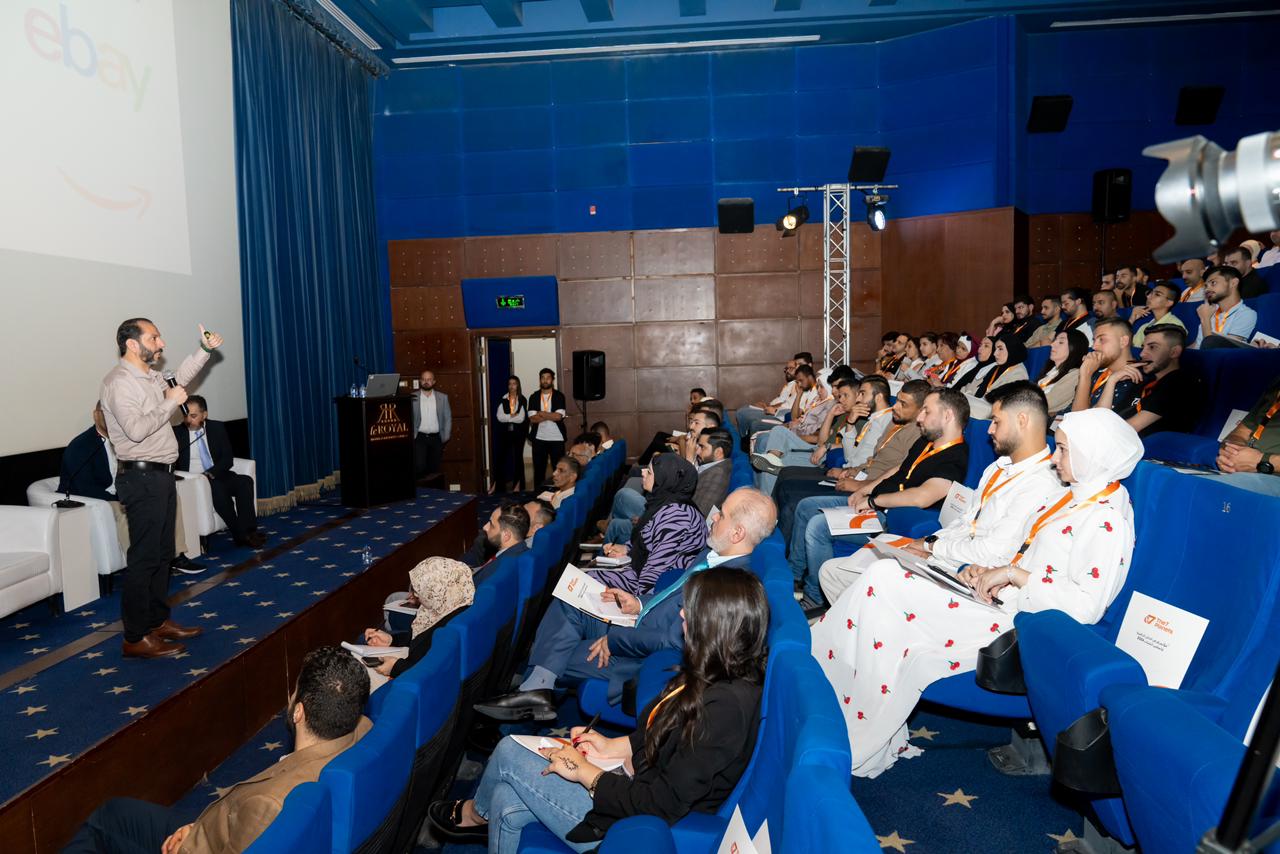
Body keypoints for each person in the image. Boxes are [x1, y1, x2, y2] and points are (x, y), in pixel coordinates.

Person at [813, 408, 1141, 777]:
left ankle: (832, 705)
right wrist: (989, 573)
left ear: (1092, 455)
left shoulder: (1106, 518)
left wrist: (1014, 575)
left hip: (1022, 624)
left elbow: (1085, 607)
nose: (1056, 458)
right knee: (883, 581)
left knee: (884, 578)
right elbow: (1026, 555)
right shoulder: (1070, 498)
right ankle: (833, 698)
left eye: (1064, 450)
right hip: (998, 599)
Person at [430, 566, 769, 851]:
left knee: (507, 751)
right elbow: (665, 734)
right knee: (505, 800)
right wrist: (611, 746)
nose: (682, 613)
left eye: (690, 609)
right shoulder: (712, 670)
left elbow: (662, 804)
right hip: (635, 784)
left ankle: (474, 814)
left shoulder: (725, 708)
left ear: (714, 622)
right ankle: (484, 813)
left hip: (637, 827)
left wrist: (585, 772)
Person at [472, 488, 775, 722]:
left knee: (557, 655)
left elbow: (672, 641)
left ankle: (535, 686)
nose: (714, 518)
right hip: (637, 621)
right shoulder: (713, 554)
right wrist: (638, 603)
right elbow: (670, 592)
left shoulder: (728, 585)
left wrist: (614, 640)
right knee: (569, 600)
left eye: (722, 515)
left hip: (642, 655)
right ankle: (537, 685)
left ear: (738, 533)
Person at [67, 645, 371, 852]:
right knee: (116, 813)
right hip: (217, 825)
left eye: (294, 692)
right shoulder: (362, 730)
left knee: (103, 823)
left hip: (209, 841)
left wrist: (190, 844)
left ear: (299, 712)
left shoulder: (268, 805)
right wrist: (195, 826)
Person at [818, 382, 1065, 603]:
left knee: (871, 574)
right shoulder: (997, 468)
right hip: (948, 555)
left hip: (970, 572)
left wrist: (931, 547)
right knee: (833, 570)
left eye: (997, 422)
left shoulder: (1040, 484)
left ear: (1022, 420)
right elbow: (965, 521)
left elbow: (992, 553)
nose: (989, 430)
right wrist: (929, 543)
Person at [99, 318, 222, 659]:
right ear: (132, 344)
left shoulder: (151, 377)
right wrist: (169, 403)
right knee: (144, 558)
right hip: (141, 478)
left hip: (161, 476)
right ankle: (135, 636)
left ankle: (156, 621)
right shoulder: (119, 383)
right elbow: (136, 430)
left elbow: (178, 379)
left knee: (163, 554)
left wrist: (204, 350)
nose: (162, 343)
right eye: (154, 338)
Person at [790, 388, 969, 610]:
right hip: (876, 502)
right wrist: (865, 490)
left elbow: (923, 497)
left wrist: (874, 501)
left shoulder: (956, 456)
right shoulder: (927, 441)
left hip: (887, 516)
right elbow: (898, 469)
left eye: (926, 411)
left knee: (818, 526)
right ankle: (794, 576)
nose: (920, 418)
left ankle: (815, 598)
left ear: (948, 416)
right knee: (807, 506)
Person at [60, 403, 205, 574]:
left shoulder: (126, 438)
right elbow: (85, 488)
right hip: (98, 500)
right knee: (125, 511)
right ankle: (142, 567)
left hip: (124, 491)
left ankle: (175, 556)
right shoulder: (81, 445)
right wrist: (125, 498)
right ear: (96, 415)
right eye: (107, 414)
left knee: (169, 497)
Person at [595, 454, 708, 596]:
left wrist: (638, 603)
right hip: (642, 571)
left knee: (584, 583)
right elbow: (649, 538)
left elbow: (654, 574)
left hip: (652, 588)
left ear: (663, 480)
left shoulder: (677, 517)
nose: (643, 472)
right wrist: (626, 549)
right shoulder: (667, 504)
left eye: (649, 471)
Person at [362, 557, 473, 685]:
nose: (413, 595)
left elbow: (432, 671)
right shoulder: (445, 604)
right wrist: (392, 640)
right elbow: (421, 638)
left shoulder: (449, 628)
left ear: (436, 590)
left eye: (418, 591)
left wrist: (395, 667)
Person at [174, 396, 264, 549]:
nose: (188, 420)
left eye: (193, 416)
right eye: (186, 415)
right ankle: (241, 534)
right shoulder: (177, 433)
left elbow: (228, 459)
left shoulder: (217, 427)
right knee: (217, 487)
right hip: (195, 481)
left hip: (217, 474)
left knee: (245, 481)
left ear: (204, 414)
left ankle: (248, 531)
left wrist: (210, 473)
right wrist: (202, 478)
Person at [1114, 324, 1204, 437]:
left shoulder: (1180, 383)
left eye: (1152, 347)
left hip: (1147, 445)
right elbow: (1108, 416)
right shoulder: (1145, 381)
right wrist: (1113, 381)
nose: (1142, 354)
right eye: (1143, 347)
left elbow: (1129, 428)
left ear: (1174, 352)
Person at [1213, 377, 1280, 498]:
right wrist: (1232, 454)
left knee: (1199, 490)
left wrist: (1261, 461)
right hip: (1244, 474)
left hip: (1273, 478)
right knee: (1180, 480)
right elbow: (1240, 433)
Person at [1073, 318, 1140, 414]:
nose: (1094, 347)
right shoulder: (1094, 372)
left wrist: (1085, 375)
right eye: (1094, 340)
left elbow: (1083, 418)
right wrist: (1085, 375)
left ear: (1123, 341)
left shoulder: (1138, 378)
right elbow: (1074, 414)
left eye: (1102, 339)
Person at [1193, 266, 1258, 349]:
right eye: (1205, 286)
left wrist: (1205, 319)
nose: (1207, 289)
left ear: (1233, 283)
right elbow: (1196, 346)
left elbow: (1219, 351)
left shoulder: (1246, 314)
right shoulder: (1209, 312)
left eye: (1213, 283)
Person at [967, 335, 1029, 418]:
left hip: (995, 411)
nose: (995, 353)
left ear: (1011, 349)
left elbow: (1005, 403)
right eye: (996, 349)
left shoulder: (1019, 373)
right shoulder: (997, 367)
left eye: (1000, 349)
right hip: (983, 403)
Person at [1035, 330, 1089, 417]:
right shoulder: (1052, 370)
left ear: (1074, 348)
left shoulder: (1076, 375)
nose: (1052, 344)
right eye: (1054, 340)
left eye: (1060, 342)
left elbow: (1047, 403)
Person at [528, 368, 567, 486]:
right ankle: (538, 494)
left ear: (552, 380)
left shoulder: (559, 396)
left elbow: (558, 417)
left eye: (548, 378)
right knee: (538, 471)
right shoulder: (534, 396)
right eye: (543, 378)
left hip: (557, 439)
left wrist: (542, 413)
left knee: (559, 471)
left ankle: (558, 493)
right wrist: (550, 415)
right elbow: (532, 419)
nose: (545, 380)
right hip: (539, 439)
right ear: (540, 380)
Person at [413, 370, 452, 479]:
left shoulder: (443, 397)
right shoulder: (412, 397)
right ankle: (421, 489)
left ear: (434, 381)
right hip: (419, 438)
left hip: (436, 438)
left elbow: (447, 417)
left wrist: (446, 436)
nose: (426, 382)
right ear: (420, 381)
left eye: (429, 379)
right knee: (420, 466)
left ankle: (432, 489)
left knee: (434, 468)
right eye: (424, 379)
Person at [494, 375, 528, 492]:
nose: (512, 386)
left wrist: (507, 417)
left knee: (518, 458)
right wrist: (512, 416)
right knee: (501, 459)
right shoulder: (503, 399)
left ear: (518, 385)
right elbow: (499, 417)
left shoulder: (522, 399)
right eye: (510, 384)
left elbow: (521, 418)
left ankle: (518, 486)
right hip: (505, 433)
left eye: (514, 384)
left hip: (519, 433)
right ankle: (499, 486)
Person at [691, 428, 733, 516]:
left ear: (718, 452)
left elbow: (700, 514)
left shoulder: (718, 475)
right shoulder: (713, 466)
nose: (697, 451)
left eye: (702, 447)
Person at [1130, 281, 1187, 346]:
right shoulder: (1145, 326)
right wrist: (1132, 319)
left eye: (1157, 294)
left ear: (1169, 303)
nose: (1148, 296)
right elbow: (1129, 347)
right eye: (1150, 293)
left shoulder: (1175, 325)